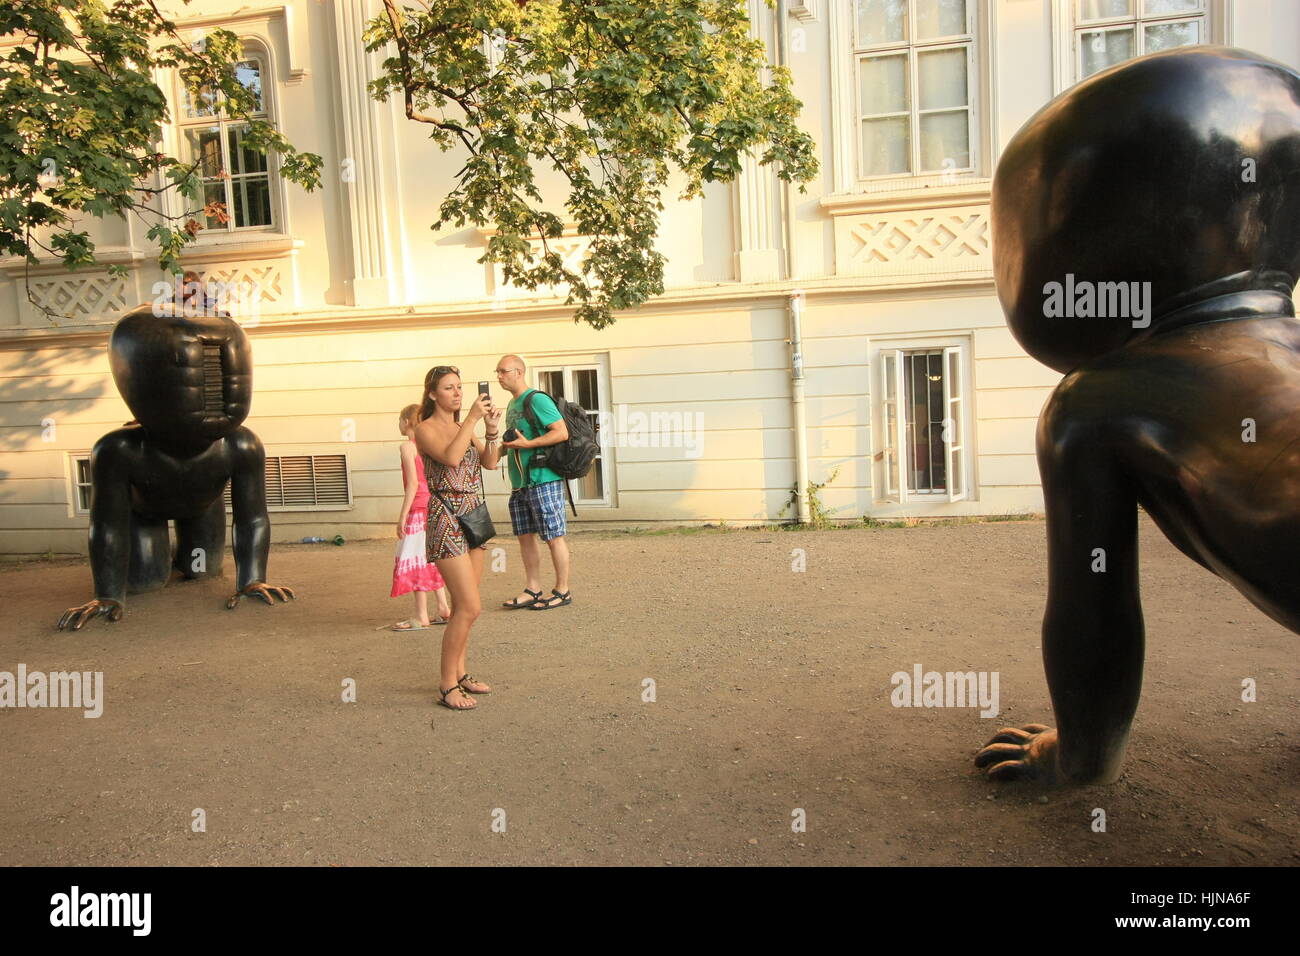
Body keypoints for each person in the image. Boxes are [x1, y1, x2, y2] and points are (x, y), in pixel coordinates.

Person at [414, 366, 504, 711]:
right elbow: (451, 459)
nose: (457, 393)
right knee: (468, 606)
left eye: (459, 387)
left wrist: (492, 431)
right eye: (449, 388)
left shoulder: (459, 426)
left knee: (467, 609)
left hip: (473, 515)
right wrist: (470, 421)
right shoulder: (426, 429)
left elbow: (490, 464)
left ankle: (461, 672)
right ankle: (446, 685)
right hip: (446, 518)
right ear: (433, 394)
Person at [495, 355, 572, 611]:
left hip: (543, 480)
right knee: (525, 538)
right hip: (520, 484)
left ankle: (562, 590)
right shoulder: (511, 405)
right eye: (497, 372)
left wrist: (529, 444)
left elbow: (561, 432)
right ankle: (533, 589)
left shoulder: (536, 399)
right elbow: (512, 442)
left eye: (503, 371)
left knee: (554, 536)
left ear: (518, 372)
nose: (499, 376)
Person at [389, 404, 452, 630]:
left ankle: (420, 615)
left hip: (418, 508)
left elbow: (413, 483)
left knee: (415, 559)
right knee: (430, 558)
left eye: (399, 419)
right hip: (433, 507)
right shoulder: (428, 446)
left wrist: (402, 515)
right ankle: (444, 608)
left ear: (407, 422)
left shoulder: (408, 447)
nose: (398, 423)